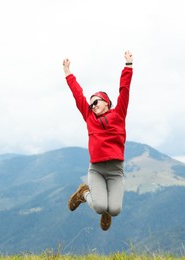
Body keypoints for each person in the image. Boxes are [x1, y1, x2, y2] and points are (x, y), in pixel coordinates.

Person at [62, 51, 133, 231]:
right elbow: (78, 95)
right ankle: (83, 192)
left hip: (116, 171)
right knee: (100, 207)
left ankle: (107, 214)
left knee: (115, 210)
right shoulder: (89, 117)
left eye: (96, 102)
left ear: (107, 103)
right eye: (91, 104)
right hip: (97, 170)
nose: (92, 106)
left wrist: (128, 66)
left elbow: (124, 90)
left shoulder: (119, 114)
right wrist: (68, 73)